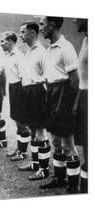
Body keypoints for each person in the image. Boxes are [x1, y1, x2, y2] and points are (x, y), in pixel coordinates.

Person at [38, 16, 80, 193]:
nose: (40, 28)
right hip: (52, 93)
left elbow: (75, 80)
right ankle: (59, 178)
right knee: (55, 140)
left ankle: (72, 185)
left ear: (52, 25)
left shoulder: (66, 47)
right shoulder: (49, 48)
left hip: (64, 94)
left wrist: (72, 105)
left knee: (67, 143)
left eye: (42, 24)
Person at [17, 22, 51, 181]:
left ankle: (44, 169)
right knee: (32, 130)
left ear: (32, 33)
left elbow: (49, 77)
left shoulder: (42, 52)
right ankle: (35, 163)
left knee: (40, 132)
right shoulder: (29, 51)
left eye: (23, 32)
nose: (20, 35)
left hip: (38, 93)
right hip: (28, 92)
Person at [0, 31, 31, 161]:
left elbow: (25, 77)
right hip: (13, 88)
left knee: (22, 123)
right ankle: (19, 149)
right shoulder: (8, 56)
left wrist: (23, 96)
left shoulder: (19, 56)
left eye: (3, 41)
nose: (1, 44)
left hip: (20, 89)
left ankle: (23, 152)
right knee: (17, 122)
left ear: (10, 42)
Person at [73, 18, 88, 193]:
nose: (75, 20)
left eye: (78, 17)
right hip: (83, 95)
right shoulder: (85, 39)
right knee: (85, 144)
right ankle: (85, 189)